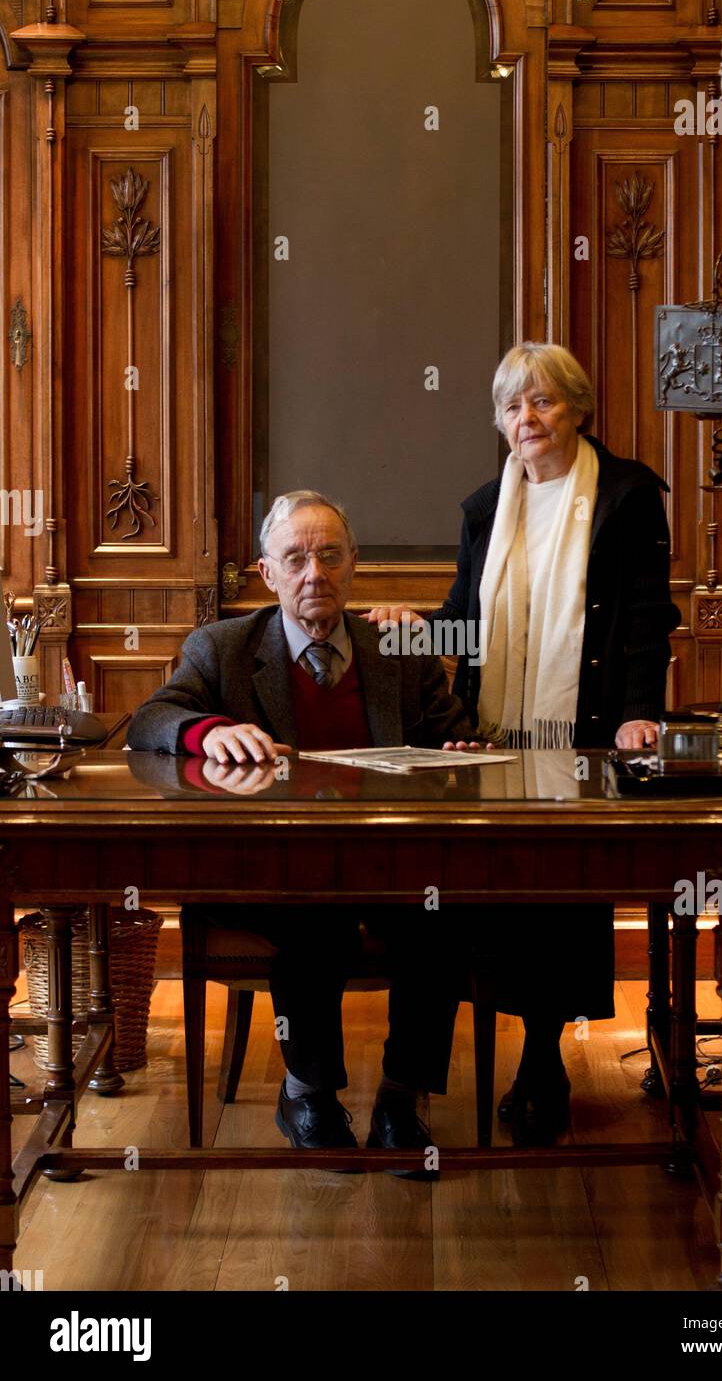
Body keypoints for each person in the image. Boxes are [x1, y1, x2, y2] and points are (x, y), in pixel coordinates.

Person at [367, 342, 681, 1144]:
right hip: (491, 738)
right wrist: (417, 628)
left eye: (542, 402)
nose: (527, 419)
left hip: (584, 732)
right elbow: (469, 623)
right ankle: (484, 1059)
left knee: (558, 900)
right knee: (490, 894)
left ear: (576, 408)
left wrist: (641, 712)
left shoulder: (626, 496)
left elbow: (646, 618)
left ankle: (543, 1056)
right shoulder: (484, 507)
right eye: (512, 406)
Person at [128, 490, 486, 1176]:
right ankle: (308, 1094)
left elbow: (452, 735)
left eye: (328, 555)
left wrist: (457, 757)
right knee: (312, 918)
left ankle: (399, 1098)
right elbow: (151, 719)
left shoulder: (399, 651)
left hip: (385, 866)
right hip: (260, 871)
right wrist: (209, 730)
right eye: (295, 558)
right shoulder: (224, 648)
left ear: (354, 565)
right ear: (268, 573)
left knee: (444, 914)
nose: (313, 572)